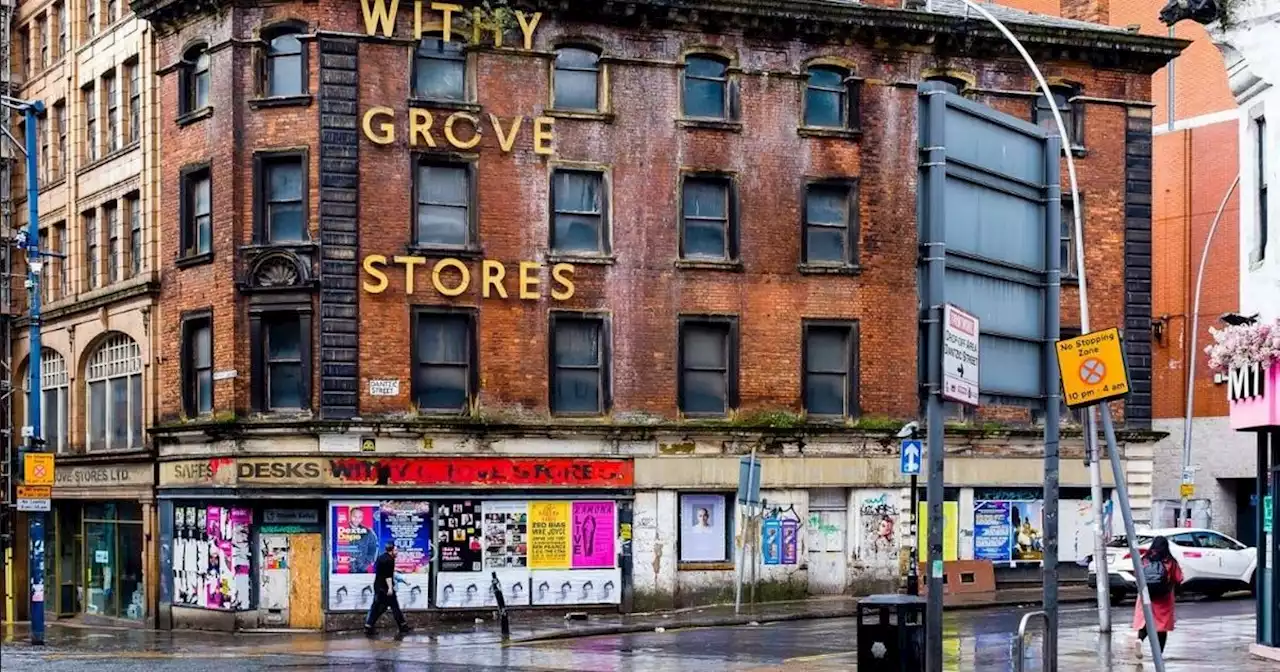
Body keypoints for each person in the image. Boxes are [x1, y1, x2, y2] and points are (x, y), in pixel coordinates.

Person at [1133, 536, 1183, 657]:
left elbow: (1137, 575)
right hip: (1164, 598)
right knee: (1161, 626)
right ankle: (1158, 655)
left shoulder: (1144, 559)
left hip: (1146, 595)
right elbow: (1179, 578)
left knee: (1146, 620)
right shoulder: (1170, 561)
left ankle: (1140, 640)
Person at [365, 542, 411, 636]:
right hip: (386, 589)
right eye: (396, 550)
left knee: (377, 607)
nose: (397, 552)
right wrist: (390, 588)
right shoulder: (390, 560)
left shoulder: (381, 557)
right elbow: (388, 576)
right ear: (391, 550)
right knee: (394, 607)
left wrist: (397, 569)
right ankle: (403, 626)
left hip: (378, 586)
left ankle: (369, 626)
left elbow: (383, 570)